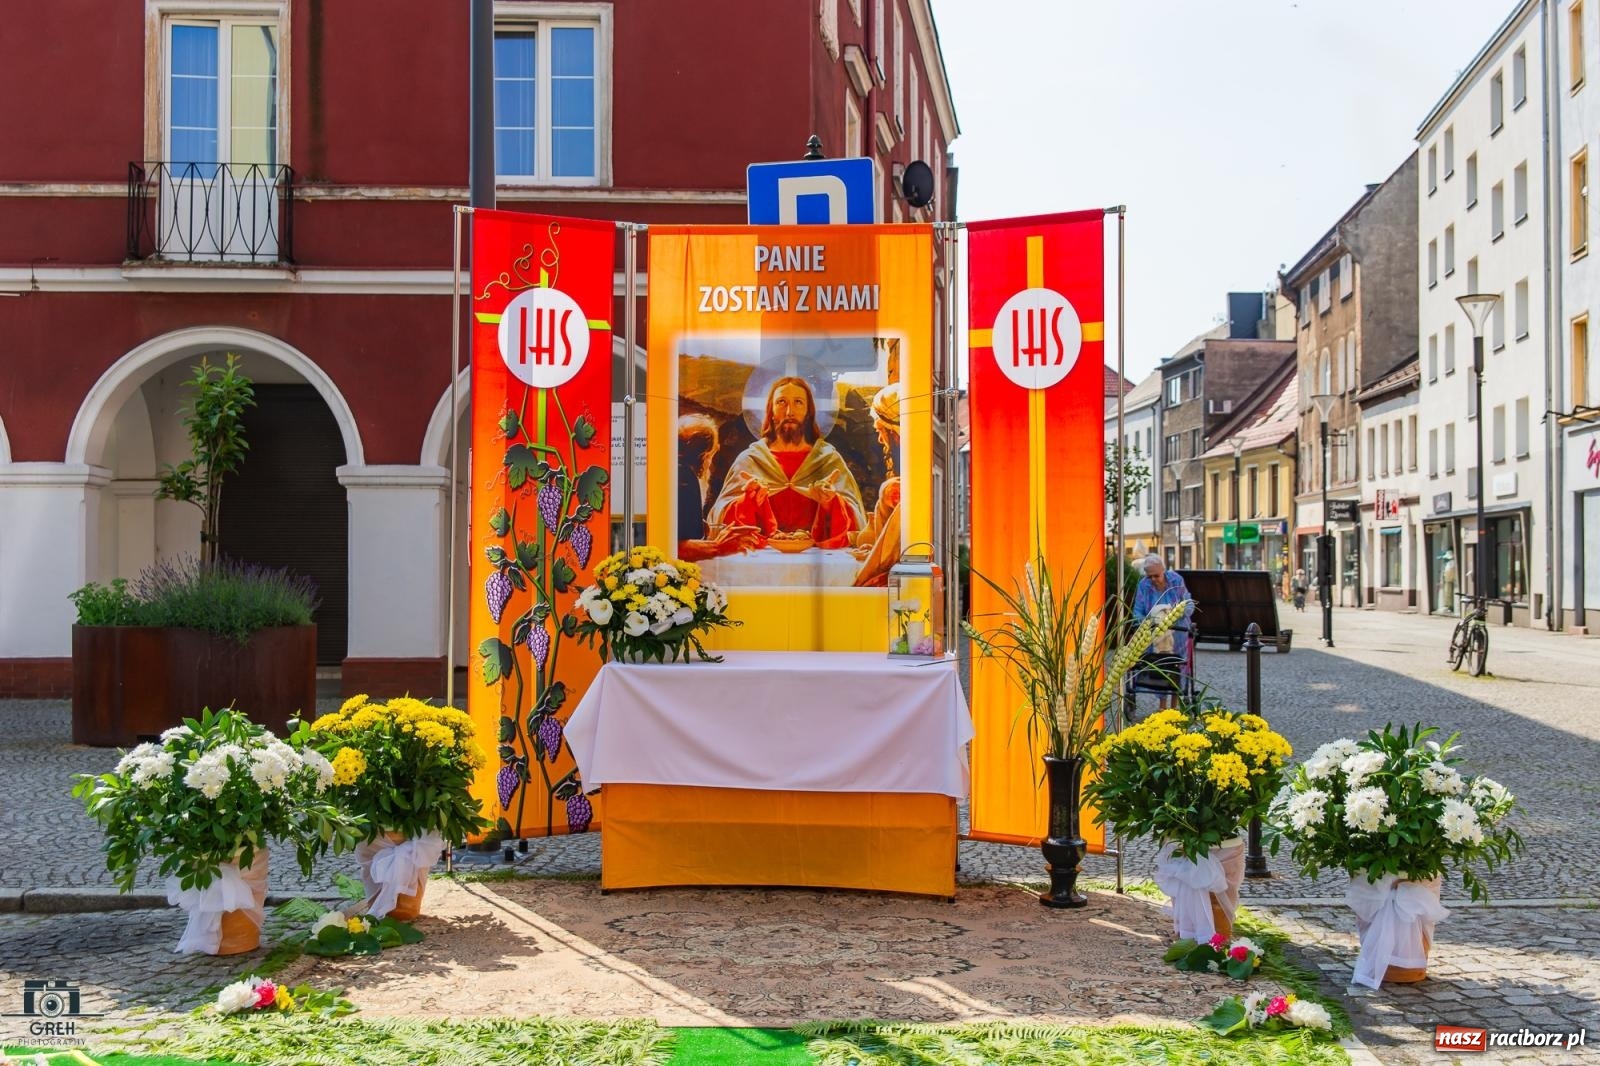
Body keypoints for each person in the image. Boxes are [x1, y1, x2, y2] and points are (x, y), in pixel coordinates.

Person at [708, 375, 866, 548]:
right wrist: (748, 500)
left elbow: (856, 523)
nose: (789, 411)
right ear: (771, 412)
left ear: (808, 412)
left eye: (798, 402)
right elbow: (720, 522)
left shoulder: (828, 460)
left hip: (817, 560)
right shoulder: (750, 460)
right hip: (759, 558)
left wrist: (831, 501)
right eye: (781, 402)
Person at [675, 414, 761, 563]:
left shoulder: (676, 471)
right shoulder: (685, 477)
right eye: (712, 455)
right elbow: (677, 547)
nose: (710, 463)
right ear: (705, 455)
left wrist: (703, 527)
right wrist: (719, 547)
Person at [849, 383, 902, 587]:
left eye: (881, 431)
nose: (880, 439)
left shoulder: (900, 490)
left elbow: (888, 556)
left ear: (895, 431)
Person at [1132, 554, 1195, 705]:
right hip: (1153, 634)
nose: (1153, 579)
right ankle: (1162, 705)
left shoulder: (1176, 580)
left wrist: (1177, 614)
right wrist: (1148, 622)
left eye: (1156, 575)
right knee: (1159, 667)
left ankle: (1174, 705)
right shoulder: (1144, 585)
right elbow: (1137, 611)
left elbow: (1188, 604)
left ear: (1163, 570)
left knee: (1177, 667)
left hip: (1177, 633)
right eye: (1149, 576)